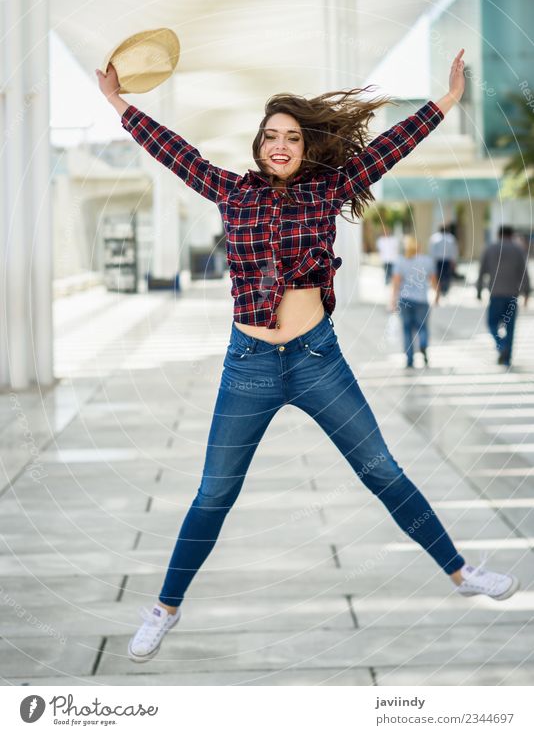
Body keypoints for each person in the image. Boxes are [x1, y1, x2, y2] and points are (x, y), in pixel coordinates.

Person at [95, 47, 519, 666]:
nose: (281, 145)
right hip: (249, 365)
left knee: (382, 470)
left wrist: (447, 101)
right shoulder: (231, 193)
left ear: (304, 146)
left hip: (318, 358)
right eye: (271, 136)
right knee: (214, 493)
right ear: (258, 144)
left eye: (292, 137)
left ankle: (461, 573)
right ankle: (164, 607)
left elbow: (387, 148)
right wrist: (116, 102)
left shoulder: (328, 188)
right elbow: (173, 149)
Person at [476, 225, 530, 366]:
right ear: (511, 235)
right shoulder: (518, 250)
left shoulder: (490, 248)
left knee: (492, 323)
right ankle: (507, 358)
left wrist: (479, 290)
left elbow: (482, 271)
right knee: (510, 326)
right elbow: (524, 272)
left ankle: (501, 345)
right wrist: (527, 292)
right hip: (512, 294)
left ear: (498, 234)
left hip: (496, 294)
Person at [390, 235, 438, 368]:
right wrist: (437, 295)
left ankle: (410, 359)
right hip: (422, 300)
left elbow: (396, 284)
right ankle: (423, 344)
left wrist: (393, 301)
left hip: (405, 301)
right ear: (419, 246)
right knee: (422, 327)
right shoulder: (427, 261)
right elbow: (433, 281)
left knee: (407, 329)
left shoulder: (400, 261)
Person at [428, 222, 458, 299]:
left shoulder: (434, 238)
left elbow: (432, 251)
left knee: (438, 276)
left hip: (438, 261)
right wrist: (454, 261)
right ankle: (444, 290)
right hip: (447, 260)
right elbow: (454, 251)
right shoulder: (451, 238)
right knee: (446, 276)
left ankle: (439, 290)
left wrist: (432, 261)